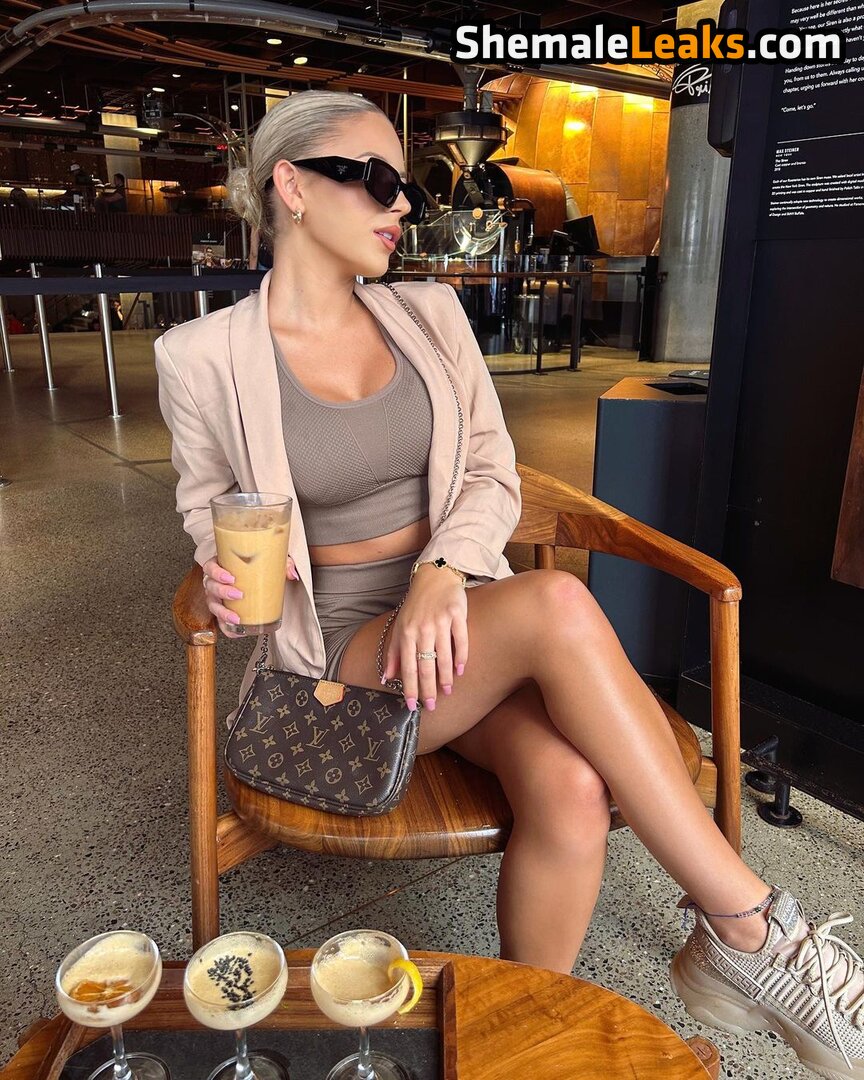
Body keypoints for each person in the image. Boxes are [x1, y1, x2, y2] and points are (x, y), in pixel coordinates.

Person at [155, 90, 863, 1079]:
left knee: (571, 787)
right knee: (558, 601)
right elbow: (212, 514)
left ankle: (523, 1040)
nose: (404, 203)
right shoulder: (200, 357)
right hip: (346, 658)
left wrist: (442, 571)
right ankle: (750, 931)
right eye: (376, 179)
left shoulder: (429, 314)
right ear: (293, 187)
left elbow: (492, 472)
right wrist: (220, 579)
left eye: (404, 185)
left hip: (458, 627)